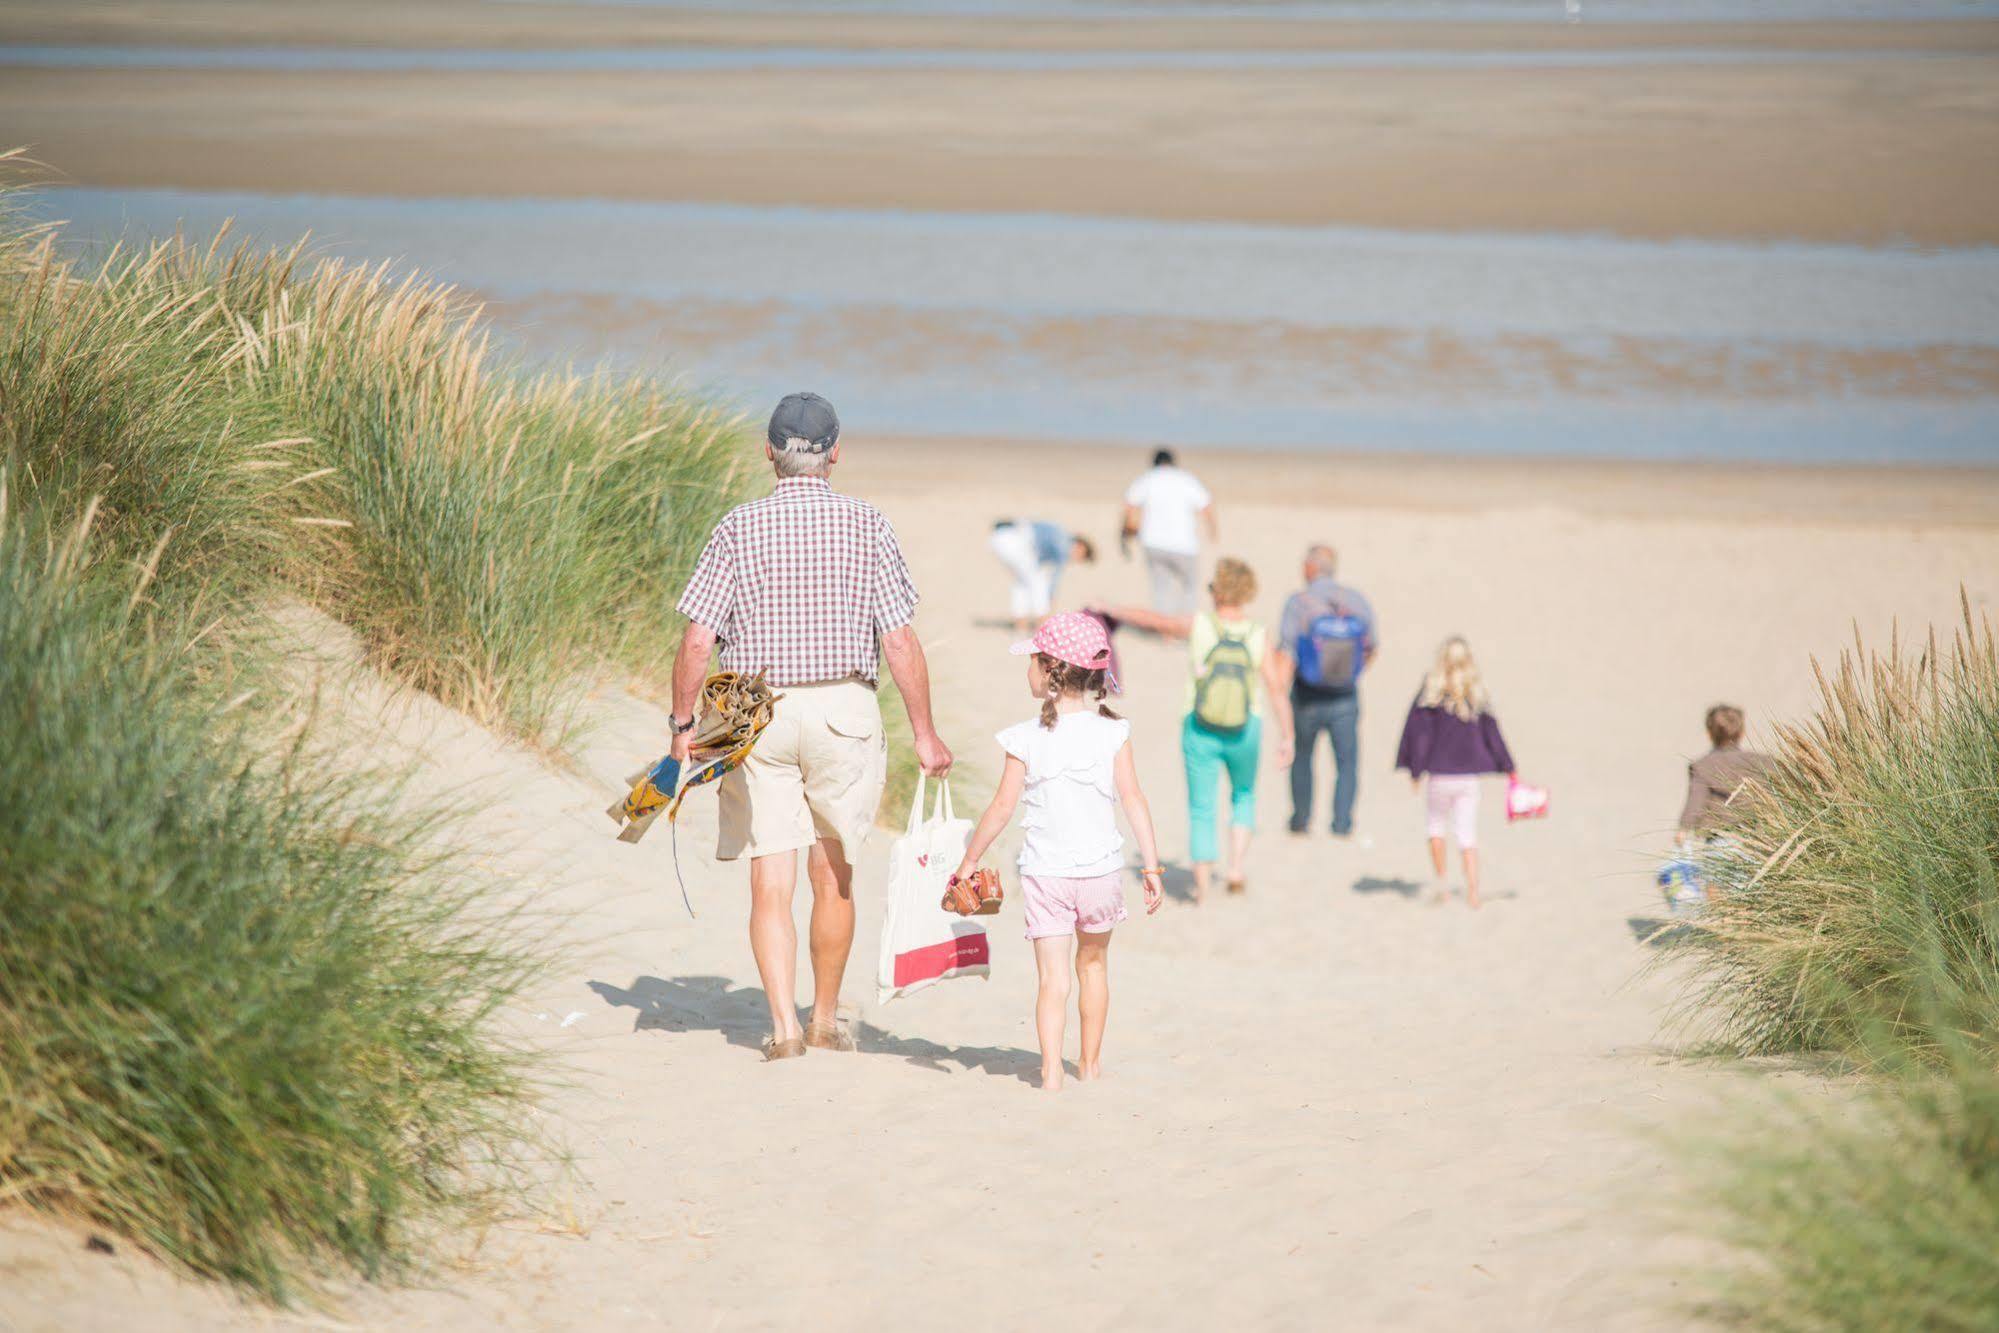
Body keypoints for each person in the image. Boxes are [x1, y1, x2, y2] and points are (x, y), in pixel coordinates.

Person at [670, 391, 953, 1062]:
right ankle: (824, 1017)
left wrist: (683, 722)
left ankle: (783, 1028)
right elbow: (901, 641)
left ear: (768, 452)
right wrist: (924, 732)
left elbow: (695, 640)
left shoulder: (736, 526)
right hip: (843, 712)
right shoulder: (867, 523)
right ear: (834, 455)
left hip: (758, 711)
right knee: (834, 874)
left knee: (772, 876)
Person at [953, 612, 1164, 1092]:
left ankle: (1051, 1075)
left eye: (1031, 660)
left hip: (1046, 875)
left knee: (1052, 981)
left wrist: (969, 862)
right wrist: (1150, 865)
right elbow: (1134, 799)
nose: (1026, 669)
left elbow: (1002, 807)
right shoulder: (1114, 732)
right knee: (1093, 968)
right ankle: (1089, 1065)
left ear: (1050, 670)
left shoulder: (1024, 737)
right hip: (1101, 873)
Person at [1100, 560, 1295, 902]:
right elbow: (1276, 688)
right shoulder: (1257, 633)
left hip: (1199, 725)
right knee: (1244, 795)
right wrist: (1288, 735)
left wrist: (1111, 609)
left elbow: (1152, 620)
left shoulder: (1199, 624)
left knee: (1201, 806)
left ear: (1216, 591)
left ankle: (1202, 885)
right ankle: (1235, 869)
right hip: (1246, 726)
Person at [1393, 637, 1516, 909]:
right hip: (1467, 778)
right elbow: (1492, 733)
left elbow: (1419, 735)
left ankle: (1443, 885)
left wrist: (1415, 770)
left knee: (1435, 827)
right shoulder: (1476, 692)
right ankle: (1473, 892)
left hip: (1439, 775)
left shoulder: (1431, 693)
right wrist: (1508, 766)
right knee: (1467, 833)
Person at [1273, 544, 1377, 839]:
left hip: (1306, 694)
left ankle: (1301, 819)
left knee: (1303, 757)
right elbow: (1372, 647)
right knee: (1347, 762)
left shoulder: (1298, 603)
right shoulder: (1357, 600)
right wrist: (1352, 672)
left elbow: (1288, 651)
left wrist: (1278, 691)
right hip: (1345, 694)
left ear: (1310, 568)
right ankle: (1342, 823)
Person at [1121, 449, 1215, 616]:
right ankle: (1185, 624)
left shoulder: (1147, 479)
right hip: (1184, 544)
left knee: (1161, 587)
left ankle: (1165, 630)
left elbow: (1129, 506)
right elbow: (1206, 507)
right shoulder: (1186, 479)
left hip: (1152, 542)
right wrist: (1213, 531)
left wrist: (1127, 534)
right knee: (1189, 586)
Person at [1678, 704, 1772, 842]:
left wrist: (1683, 829)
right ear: (1742, 732)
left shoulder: (1703, 766)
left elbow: (1696, 801)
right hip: (1757, 840)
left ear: (1709, 733)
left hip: (1720, 840)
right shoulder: (1764, 763)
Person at [988, 518, 1097, 632]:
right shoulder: (1064, 543)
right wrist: (1050, 601)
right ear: (1080, 546)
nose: (1075, 559)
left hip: (1000, 538)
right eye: (1080, 556)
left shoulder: (1057, 533)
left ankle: (1020, 623)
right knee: (1039, 582)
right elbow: (1055, 578)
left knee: (1022, 582)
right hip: (1014, 541)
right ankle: (1041, 625)